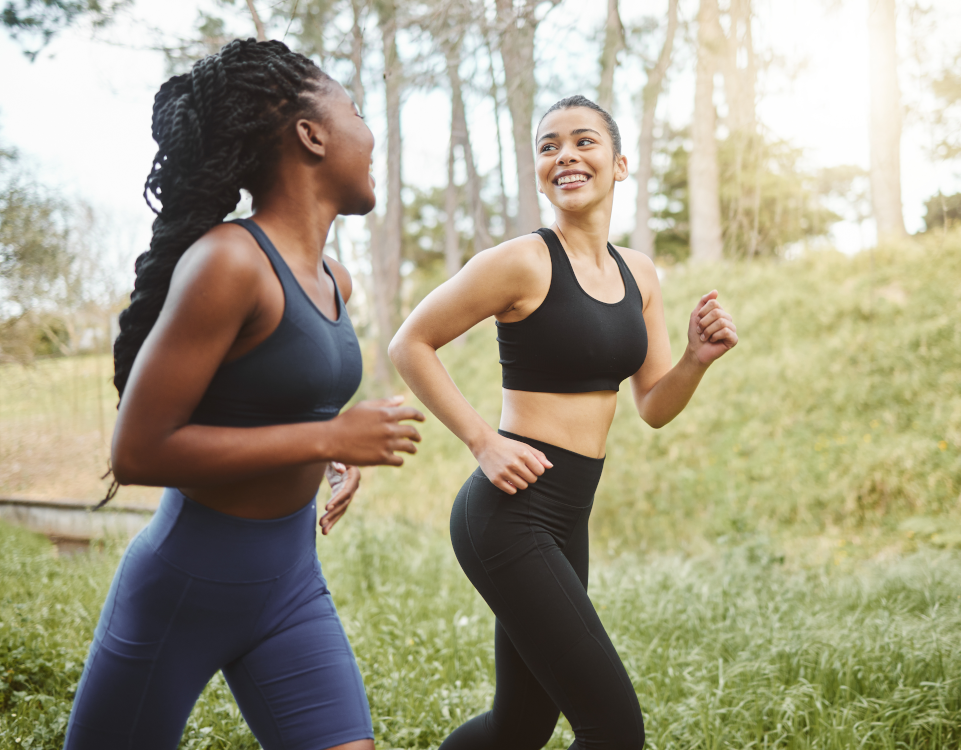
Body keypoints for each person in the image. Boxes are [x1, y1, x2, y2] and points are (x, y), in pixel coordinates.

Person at [64, 39, 424, 750]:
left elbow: (268, 396)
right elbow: (138, 450)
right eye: (355, 108)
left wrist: (321, 456)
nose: (370, 132)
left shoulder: (333, 279)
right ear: (311, 133)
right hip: (184, 590)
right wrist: (329, 438)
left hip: (290, 586)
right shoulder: (229, 261)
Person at [389, 95, 738, 750]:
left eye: (583, 141)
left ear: (620, 163)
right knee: (613, 730)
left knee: (520, 725)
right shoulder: (523, 260)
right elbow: (410, 343)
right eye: (549, 146)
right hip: (508, 511)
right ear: (538, 170)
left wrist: (695, 358)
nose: (566, 156)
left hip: (568, 515)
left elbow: (654, 405)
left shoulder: (640, 273)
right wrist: (482, 440)